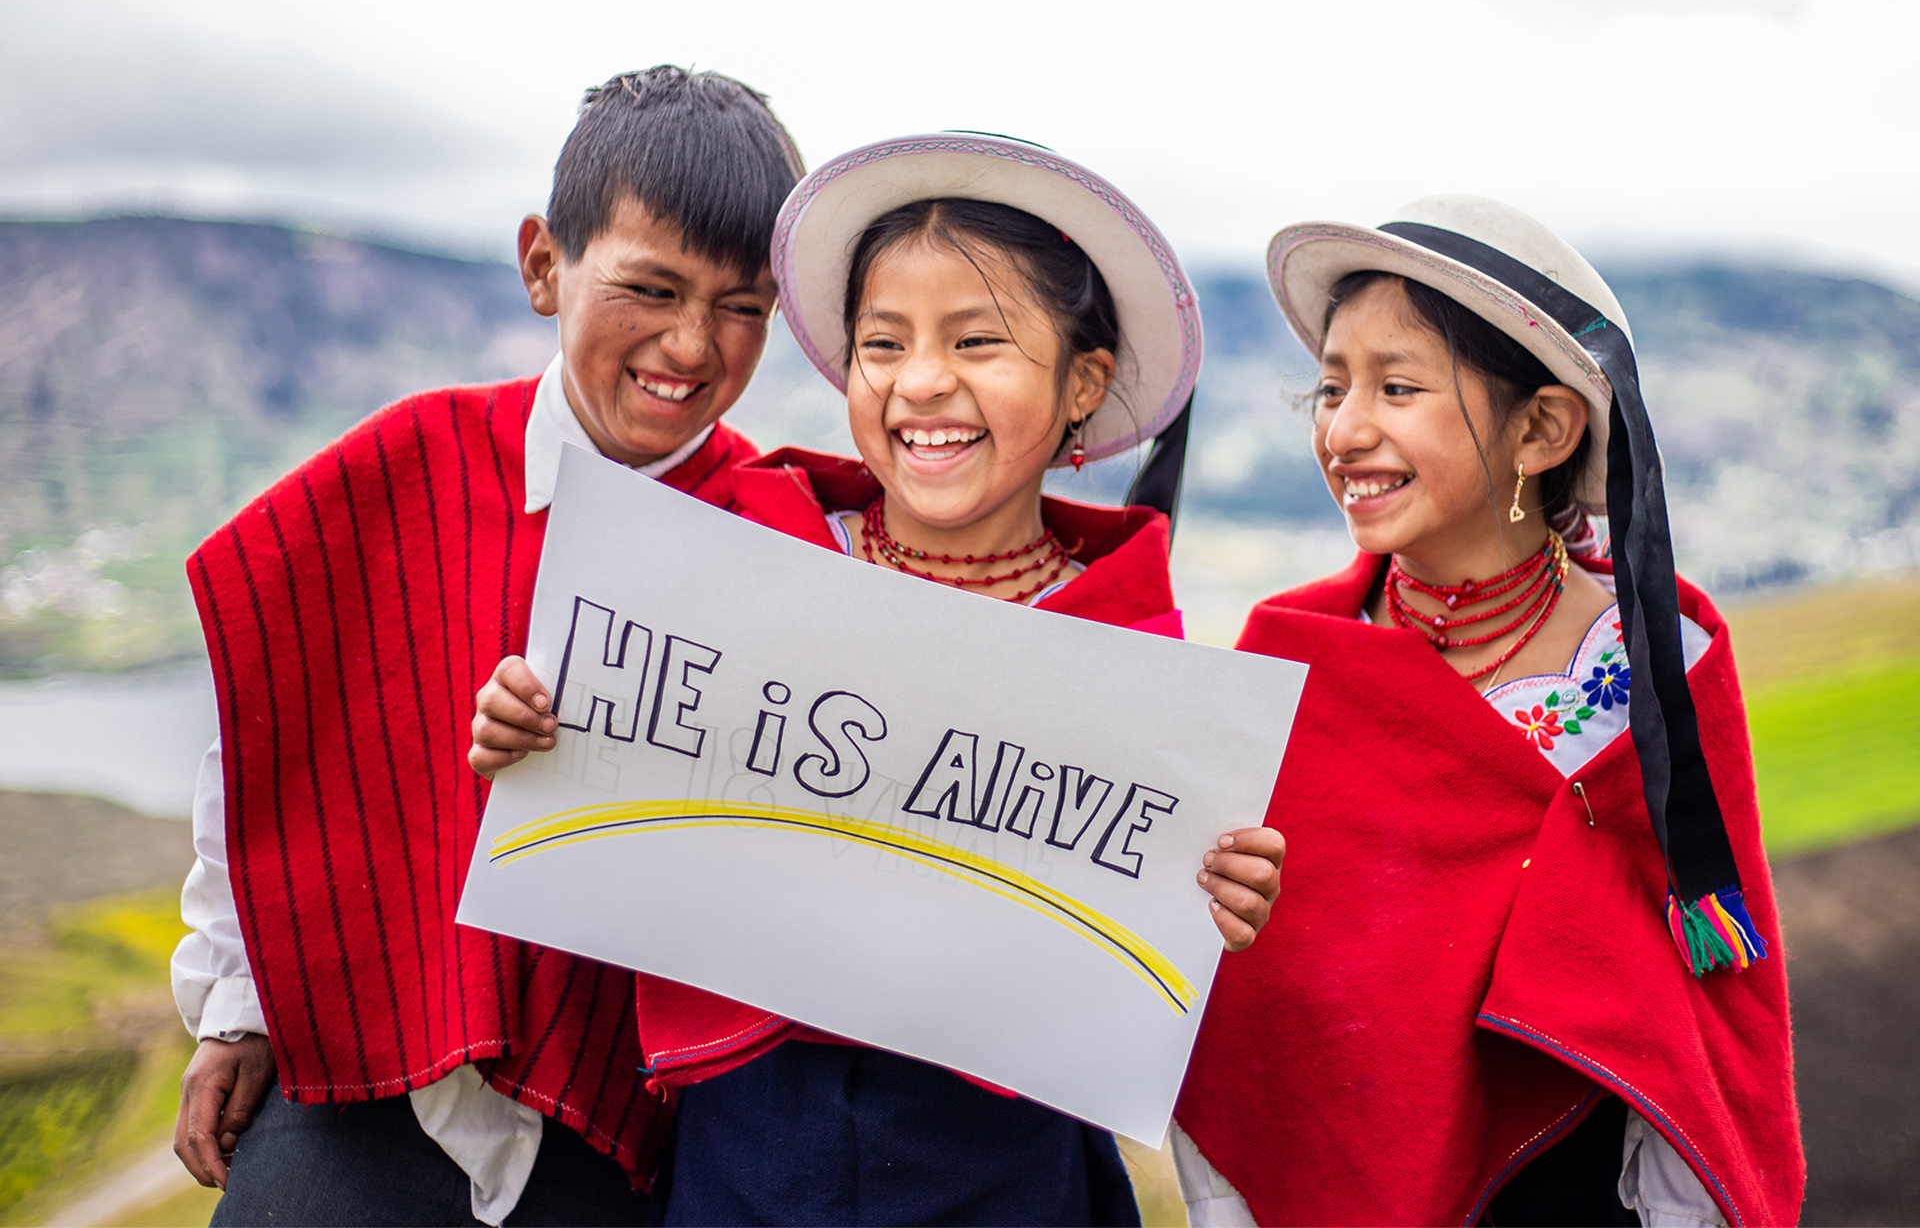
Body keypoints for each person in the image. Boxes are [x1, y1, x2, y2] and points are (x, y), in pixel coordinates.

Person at [471, 132, 1287, 1226]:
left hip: (1009, 1168)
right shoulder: (741, 552)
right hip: (743, 1146)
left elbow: (1134, 954)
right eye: (884, 342)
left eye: (978, 341)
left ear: (1084, 379)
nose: (922, 382)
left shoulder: (1136, 656)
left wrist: (1216, 903)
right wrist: (541, 736)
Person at [168, 66, 804, 1225]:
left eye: (745, 307)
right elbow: (268, 729)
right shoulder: (404, 465)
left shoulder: (771, 529)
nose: (692, 341)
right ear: (543, 265)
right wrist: (240, 1003)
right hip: (366, 1074)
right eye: (651, 287)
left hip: (615, 1125)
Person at [1171, 196, 1804, 1226]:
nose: (1345, 426)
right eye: (1331, 386)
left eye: (1398, 385)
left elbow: (1710, 1022)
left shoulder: (1655, 679)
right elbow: (1255, 999)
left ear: (1543, 428)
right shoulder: (1292, 665)